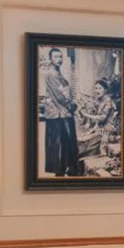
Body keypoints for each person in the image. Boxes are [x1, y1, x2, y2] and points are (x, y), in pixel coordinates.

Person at [38, 48, 80, 177]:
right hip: (59, 113)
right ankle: (63, 169)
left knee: (63, 141)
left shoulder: (57, 71)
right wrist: (70, 106)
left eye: (60, 57)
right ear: (50, 59)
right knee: (61, 142)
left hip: (60, 112)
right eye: (56, 57)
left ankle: (64, 168)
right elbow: (59, 95)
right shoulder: (52, 73)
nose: (59, 59)